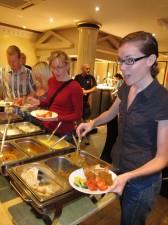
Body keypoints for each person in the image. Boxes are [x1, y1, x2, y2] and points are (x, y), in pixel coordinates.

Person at [76, 31, 168, 225]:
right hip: (119, 167)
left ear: (151, 59)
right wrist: (91, 123)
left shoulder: (162, 100)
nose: (122, 68)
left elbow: (162, 158)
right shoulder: (126, 87)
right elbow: (110, 113)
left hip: (142, 181)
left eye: (130, 60)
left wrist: (129, 176)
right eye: (120, 61)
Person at [28, 50, 83, 138]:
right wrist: (38, 102)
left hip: (64, 131)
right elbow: (49, 102)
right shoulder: (51, 81)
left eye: (59, 67)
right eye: (53, 68)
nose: (56, 71)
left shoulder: (75, 87)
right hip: (48, 126)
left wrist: (57, 118)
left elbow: (77, 115)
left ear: (67, 66)